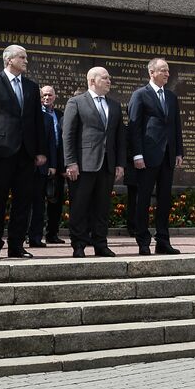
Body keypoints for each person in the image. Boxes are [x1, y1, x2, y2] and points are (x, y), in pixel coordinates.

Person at [0, 44, 46, 259]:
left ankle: (16, 244)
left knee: (23, 200)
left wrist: (41, 151)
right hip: (1, 151)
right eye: (22, 57)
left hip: (26, 152)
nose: (26, 61)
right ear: (9, 60)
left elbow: (37, 121)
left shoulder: (32, 87)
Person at [62, 66, 126, 257]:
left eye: (109, 78)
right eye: (105, 78)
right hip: (83, 164)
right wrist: (70, 162)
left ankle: (100, 243)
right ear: (92, 81)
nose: (109, 81)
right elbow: (69, 135)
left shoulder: (114, 106)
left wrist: (120, 163)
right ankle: (79, 245)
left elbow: (120, 137)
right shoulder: (76, 102)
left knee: (102, 207)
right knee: (80, 205)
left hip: (107, 164)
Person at [127, 58, 184, 255]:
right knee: (143, 199)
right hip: (147, 156)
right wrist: (137, 154)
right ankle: (143, 240)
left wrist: (178, 151)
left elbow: (176, 126)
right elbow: (134, 127)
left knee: (165, 199)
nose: (167, 74)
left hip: (167, 157)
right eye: (163, 70)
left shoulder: (171, 97)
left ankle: (163, 240)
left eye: (168, 71)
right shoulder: (140, 95)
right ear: (152, 72)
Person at [38, 85, 67, 245]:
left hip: (58, 163)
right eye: (44, 95)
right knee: (37, 201)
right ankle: (33, 233)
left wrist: (61, 166)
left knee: (56, 201)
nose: (47, 98)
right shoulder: (36, 115)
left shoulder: (60, 115)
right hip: (41, 163)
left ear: (55, 97)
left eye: (50, 95)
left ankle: (52, 233)